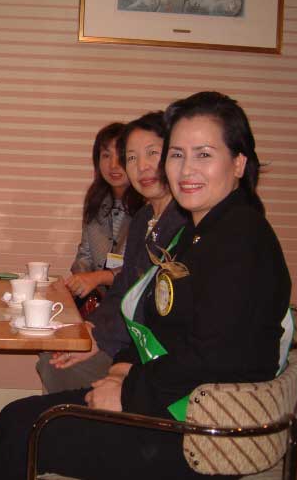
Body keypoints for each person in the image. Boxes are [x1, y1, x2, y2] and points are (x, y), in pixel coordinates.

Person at [0, 92, 292, 480]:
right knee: (18, 418)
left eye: (204, 154)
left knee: (25, 427)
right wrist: (120, 370)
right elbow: (151, 316)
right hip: (174, 397)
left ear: (239, 163)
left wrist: (127, 392)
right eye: (177, 155)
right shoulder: (198, 233)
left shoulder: (240, 238)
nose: (186, 169)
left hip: (201, 430)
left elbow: (215, 355)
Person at [37, 112, 186, 394]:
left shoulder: (184, 223)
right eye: (132, 157)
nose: (141, 166)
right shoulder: (142, 217)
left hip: (150, 350)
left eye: (152, 153)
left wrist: (101, 338)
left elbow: (145, 302)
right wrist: (91, 325)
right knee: (53, 351)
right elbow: (123, 287)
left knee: (54, 364)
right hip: (116, 322)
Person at [62, 122, 143, 311]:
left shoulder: (147, 206)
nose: (113, 165)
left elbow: (141, 269)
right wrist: (81, 280)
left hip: (132, 306)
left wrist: (97, 278)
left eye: (121, 156)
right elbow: (85, 255)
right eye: (106, 155)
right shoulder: (96, 200)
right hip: (99, 303)